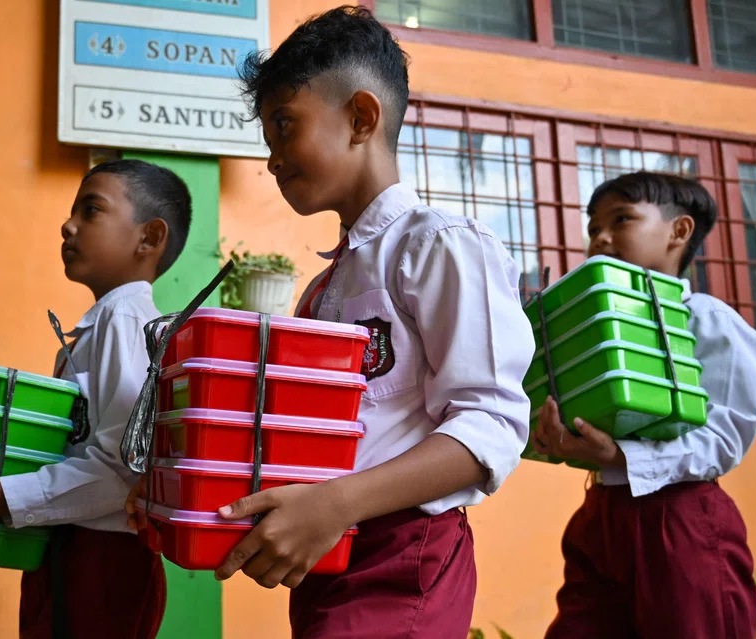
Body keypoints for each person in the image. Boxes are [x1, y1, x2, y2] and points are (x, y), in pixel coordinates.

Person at [210, 6, 533, 638]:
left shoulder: (441, 246)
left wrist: (336, 502)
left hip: (405, 551)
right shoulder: (322, 292)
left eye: (286, 126)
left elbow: (492, 424)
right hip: (330, 550)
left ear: (361, 117)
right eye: (268, 139)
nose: (273, 159)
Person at [0, 159, 192, 639]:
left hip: (105, 564)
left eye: (91, 210)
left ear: (149, 239)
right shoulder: (95, 331)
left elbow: (124, 469)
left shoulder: (126, 323)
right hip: (67, 551)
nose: (68, 225)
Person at [532, 171, 756, 639]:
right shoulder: (594, 324)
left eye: (621, 219)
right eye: (593, 228)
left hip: (679, 519)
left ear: (679, 232)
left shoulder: (706, 320)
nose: (600, 236)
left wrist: (621, 456)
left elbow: (722, 439)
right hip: (599, 515)